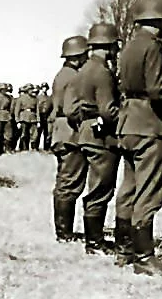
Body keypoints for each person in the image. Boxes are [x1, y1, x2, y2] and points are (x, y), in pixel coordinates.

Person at [113, 0, 162, 278]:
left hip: (129, 123)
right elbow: (159, 91)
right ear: (160, 21)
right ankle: (144, 257)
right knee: (149, 192)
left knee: (129, 188)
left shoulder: (129, 47)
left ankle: (124, 250)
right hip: (151, 125)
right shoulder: (153, 47)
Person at [67, 22, 122, 254]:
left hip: (86, 132)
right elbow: (108, 110)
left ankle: (94, 239)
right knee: (101, 190)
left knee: (96, 188)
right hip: (101, 136)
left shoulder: (84, 70)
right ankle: (94, 243)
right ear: (109, 46)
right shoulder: (102, 72)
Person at [50, 36, 89, 242]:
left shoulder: (63, 74)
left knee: (65, 181)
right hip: (71, 132)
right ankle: (64, 233)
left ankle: (63, 231)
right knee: (70, 183)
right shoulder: (73, 77)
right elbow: (72, 109)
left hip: (61, 131)